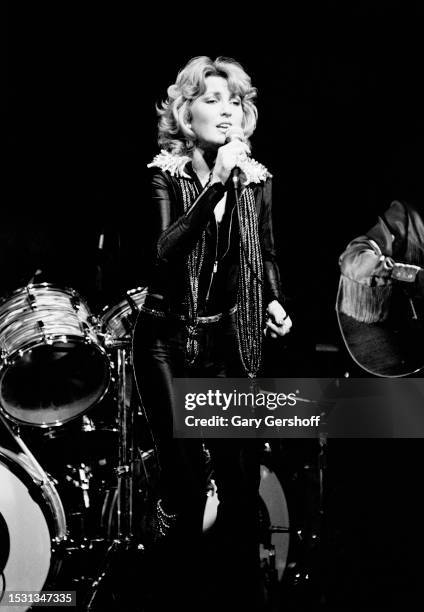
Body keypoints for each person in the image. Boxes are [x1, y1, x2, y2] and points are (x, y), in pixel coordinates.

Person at [132, 56, 292, 611]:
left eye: (234, 102)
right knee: (184, 484)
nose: (226, 111)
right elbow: (162, 255)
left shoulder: (256, 179)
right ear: (185, 111)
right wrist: (217, 183)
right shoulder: (164, 174)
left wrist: (272, 297)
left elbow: (264, 252)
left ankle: (231, 595)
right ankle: (170, 590)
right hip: (165, 345)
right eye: (211, 99)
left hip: (228, 343)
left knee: (241, 483)